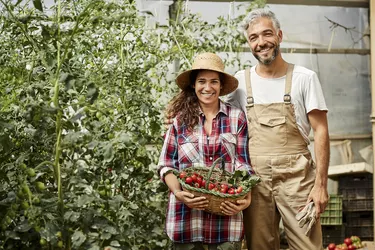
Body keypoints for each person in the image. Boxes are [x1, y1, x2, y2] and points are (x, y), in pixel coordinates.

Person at [225, 8, 330, 250]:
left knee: (308, 246)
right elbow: (216, 116)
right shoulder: (239, 83)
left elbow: (321, 132)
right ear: (249, 43)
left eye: (267, 34)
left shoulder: (305, 78)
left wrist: (321, 185)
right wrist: (179, 114)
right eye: (254, 37)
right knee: (259, 246)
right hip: (256, 181)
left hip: (298, 180)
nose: (261, 43)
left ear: (280, 35)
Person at [158, 52, 254, 250]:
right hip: (186, 221)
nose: (208, 87)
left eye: (214, 82)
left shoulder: (236, 118)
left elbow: (244, 165)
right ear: (194, 84)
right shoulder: (180, 120)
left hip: (226, 221)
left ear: (221, 86)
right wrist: (178, 192)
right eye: (202, 81)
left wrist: (246, 198)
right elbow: (166, 164)